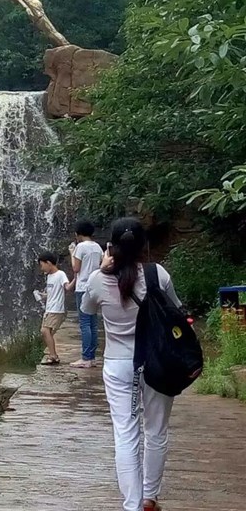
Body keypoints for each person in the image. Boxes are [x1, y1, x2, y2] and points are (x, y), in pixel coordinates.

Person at [82, 218, 181, 511]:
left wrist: (101, 269)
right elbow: (175, 309)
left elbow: (87, 308)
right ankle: (150, 497)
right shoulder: (157, 275)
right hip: (157, 362)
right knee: (156, 431)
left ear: (110, 247)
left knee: (125, 433)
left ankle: (132, 505)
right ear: (144, 247)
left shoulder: (98, 280)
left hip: (118, 364)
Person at [69, 219, 104, 368]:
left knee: (84, 323)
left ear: (78, 233)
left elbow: (76, 268)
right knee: (93, 323)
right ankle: (92, 357)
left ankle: (86, 358)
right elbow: (102, 265)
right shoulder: (97, 247)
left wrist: (71, 253)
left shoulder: (80, 247)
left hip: (82, 287)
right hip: (95, 287)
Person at [36, 251, 71, 365]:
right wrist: (43, 296)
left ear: (49, 263)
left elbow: (67, 286)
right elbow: (51, 294)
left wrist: (76, 277)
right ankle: (54, 356)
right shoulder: (49, 276)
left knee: (45, 331)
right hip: (49, 308)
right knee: (47, 333)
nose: (42, 268)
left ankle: (53, 355)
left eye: (42, 265)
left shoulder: (60, 274)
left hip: (56, 309)